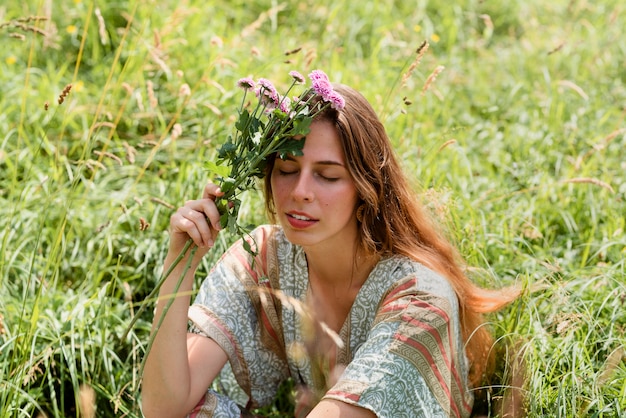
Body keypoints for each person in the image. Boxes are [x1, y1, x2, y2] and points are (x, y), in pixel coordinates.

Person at [141, 83, 522, 418]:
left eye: (327, 175)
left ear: (365, 187)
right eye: (287, 169)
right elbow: (164, 408)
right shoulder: (263, 257)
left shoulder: (420, 298)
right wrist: (180, 266)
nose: (300, 191)